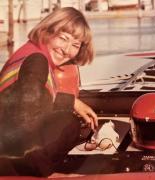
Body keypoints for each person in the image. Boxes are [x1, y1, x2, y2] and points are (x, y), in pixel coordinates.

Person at [0, 7, 98, 176]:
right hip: (9, 158)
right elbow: (25, 121)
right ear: (46, 32)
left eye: (75, 45)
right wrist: (48, 172)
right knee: (69, 123)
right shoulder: (38, 62)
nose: (67, 50)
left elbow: (27, 97)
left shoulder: (31, 52)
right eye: (63, 38)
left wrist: (72, 102)